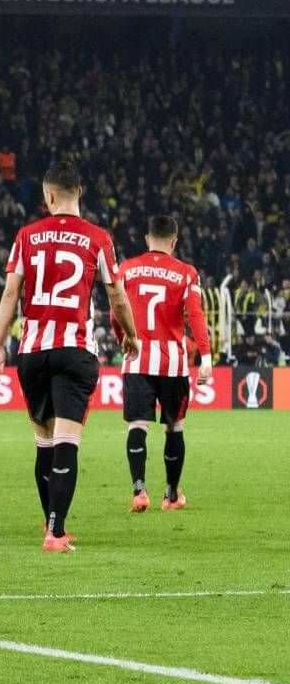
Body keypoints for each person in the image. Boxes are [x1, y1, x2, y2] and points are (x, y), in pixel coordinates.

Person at [0, 162, 139, 552]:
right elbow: (117, 296)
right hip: (74, 350)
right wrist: (131, 335)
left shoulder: (26, 235)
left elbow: (9, 295)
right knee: (67, 441)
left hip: (32, 351)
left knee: (44, 443)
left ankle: (51, 526)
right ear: (79, 192)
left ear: (48, 195)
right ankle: (56, 531)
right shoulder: (97, 238)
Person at [117, 215, 212, 512]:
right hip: (172, 362)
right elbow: (195, 315)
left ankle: (139, 490)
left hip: (136, 360)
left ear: (147, 239)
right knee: (174, 427)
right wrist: (206, 357)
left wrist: (124, 336)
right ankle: (171, 496)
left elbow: (115, 309)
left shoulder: (127, 268)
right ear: (174, 241)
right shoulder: (186, 273)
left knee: (137, 425)